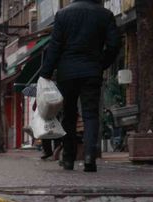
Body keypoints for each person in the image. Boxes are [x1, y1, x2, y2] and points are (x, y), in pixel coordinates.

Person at [40, 0, 121, 172]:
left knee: (69, 115)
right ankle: (90, 157)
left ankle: (69, 158)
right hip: (92, 71)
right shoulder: (104, 14)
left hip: (67, 73)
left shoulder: (63, 14)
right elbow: (114, 44)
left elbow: (54, 46)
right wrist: (101, 63)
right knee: (91, 114)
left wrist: (45, 73)